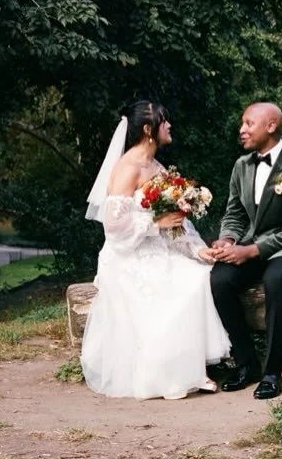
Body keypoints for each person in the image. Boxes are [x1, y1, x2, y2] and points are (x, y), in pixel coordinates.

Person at [80, 101, 231, 400]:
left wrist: (197, 249)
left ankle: (191, 365)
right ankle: (180, 372)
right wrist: (156, 222)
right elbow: (114, 226)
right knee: (183, 284)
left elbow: (175, 223)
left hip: (157, 247)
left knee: (199, 274)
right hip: (128, 255)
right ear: (148, 130)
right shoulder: (127, 168)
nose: (170, 125)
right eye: (165, 121)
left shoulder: (157, 167)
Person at [208, 102, 282, 399]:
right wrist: (229, 241)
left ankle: (273, 372)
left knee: (277, 279)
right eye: (242, 124)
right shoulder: (241, 166)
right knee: (220, 279)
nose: (242, 130)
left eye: (249, 123)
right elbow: (234, 213)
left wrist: (252, 252)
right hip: (252, 245)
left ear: (271, 126)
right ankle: (248, 364)